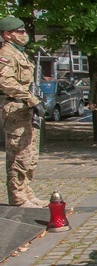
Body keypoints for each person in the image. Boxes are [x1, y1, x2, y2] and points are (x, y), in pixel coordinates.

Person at [0, 16, 47, 208]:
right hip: (16, 109)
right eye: (19, 32)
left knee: (29, 154)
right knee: (18, 155)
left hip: (26, 109)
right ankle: (18, 198)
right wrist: (31, 99)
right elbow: (5, 81)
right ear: (7, 34)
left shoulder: (19, 53)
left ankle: (26, 192)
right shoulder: (6, 54)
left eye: (23, 31)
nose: (23, 34)